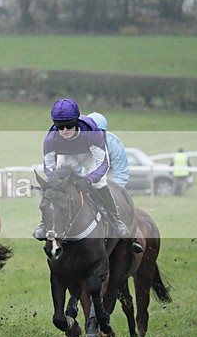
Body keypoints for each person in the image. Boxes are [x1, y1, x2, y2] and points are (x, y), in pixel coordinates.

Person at [33, 98, 130, 240]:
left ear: (76, 122)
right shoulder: (50, 138)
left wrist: (90, 179)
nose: (65, 130)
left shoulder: (91, 132)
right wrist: (56, 183)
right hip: (66, 156)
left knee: (99, 183)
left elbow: (103, 164)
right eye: (60, 126)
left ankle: (116, 221)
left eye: (69, 125)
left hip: (89, 155)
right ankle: (43, 224)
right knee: (56, 187)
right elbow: (49, 168)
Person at [87, 111, 143, 253]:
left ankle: (133, 237)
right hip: (88, 180)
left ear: (104, 132)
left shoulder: (114, 143)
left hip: (111, 180)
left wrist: (112, 191)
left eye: (98, 132)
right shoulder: (80, 143)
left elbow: (121, 173)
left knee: (124, 205)